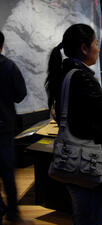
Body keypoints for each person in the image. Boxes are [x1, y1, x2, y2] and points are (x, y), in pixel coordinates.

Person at [45, 24, 102, 225]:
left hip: (73, 160)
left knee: (82, 216)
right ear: (84, 48)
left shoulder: (64, 73)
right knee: (94, 217)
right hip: (89, 163)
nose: (98, 48)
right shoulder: (81, 77)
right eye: (96, 43)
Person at [0, 31, 33, 225]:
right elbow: (20, 94)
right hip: (4, 126)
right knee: (7, 172)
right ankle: (12, 213)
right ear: (2, 45)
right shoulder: (9, 67)